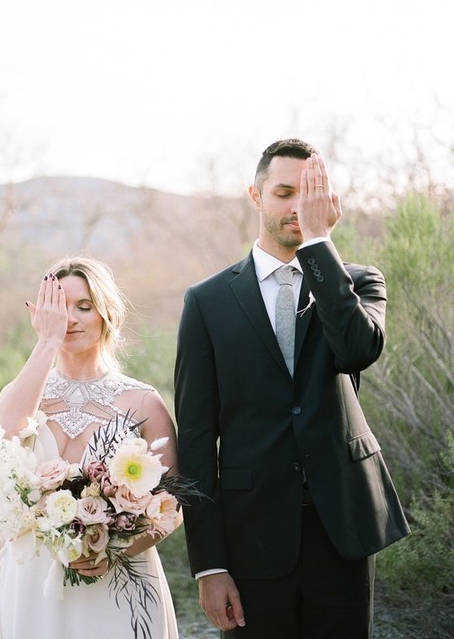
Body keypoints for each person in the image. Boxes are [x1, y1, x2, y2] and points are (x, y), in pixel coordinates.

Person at [174, 138, 410, 638]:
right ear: (256, 196)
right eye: (284, 192)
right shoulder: (207, 302)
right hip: (250, 535)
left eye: (310, 196)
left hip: (342, 526)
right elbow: (195, 440)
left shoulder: (358, 283)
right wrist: (209, 566)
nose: (297, 207)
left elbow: (356, 351)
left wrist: (319, 245)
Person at [0, 255, 180, 639]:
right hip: (32, 578)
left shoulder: (142, 402)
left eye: (83, 307)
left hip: (118, 581)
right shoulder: (20, 395)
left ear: (107, 313)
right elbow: (2, 440)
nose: (69, 319)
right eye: (59, 308)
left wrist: (112, 552)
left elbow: (172, 507)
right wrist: (47, 342)